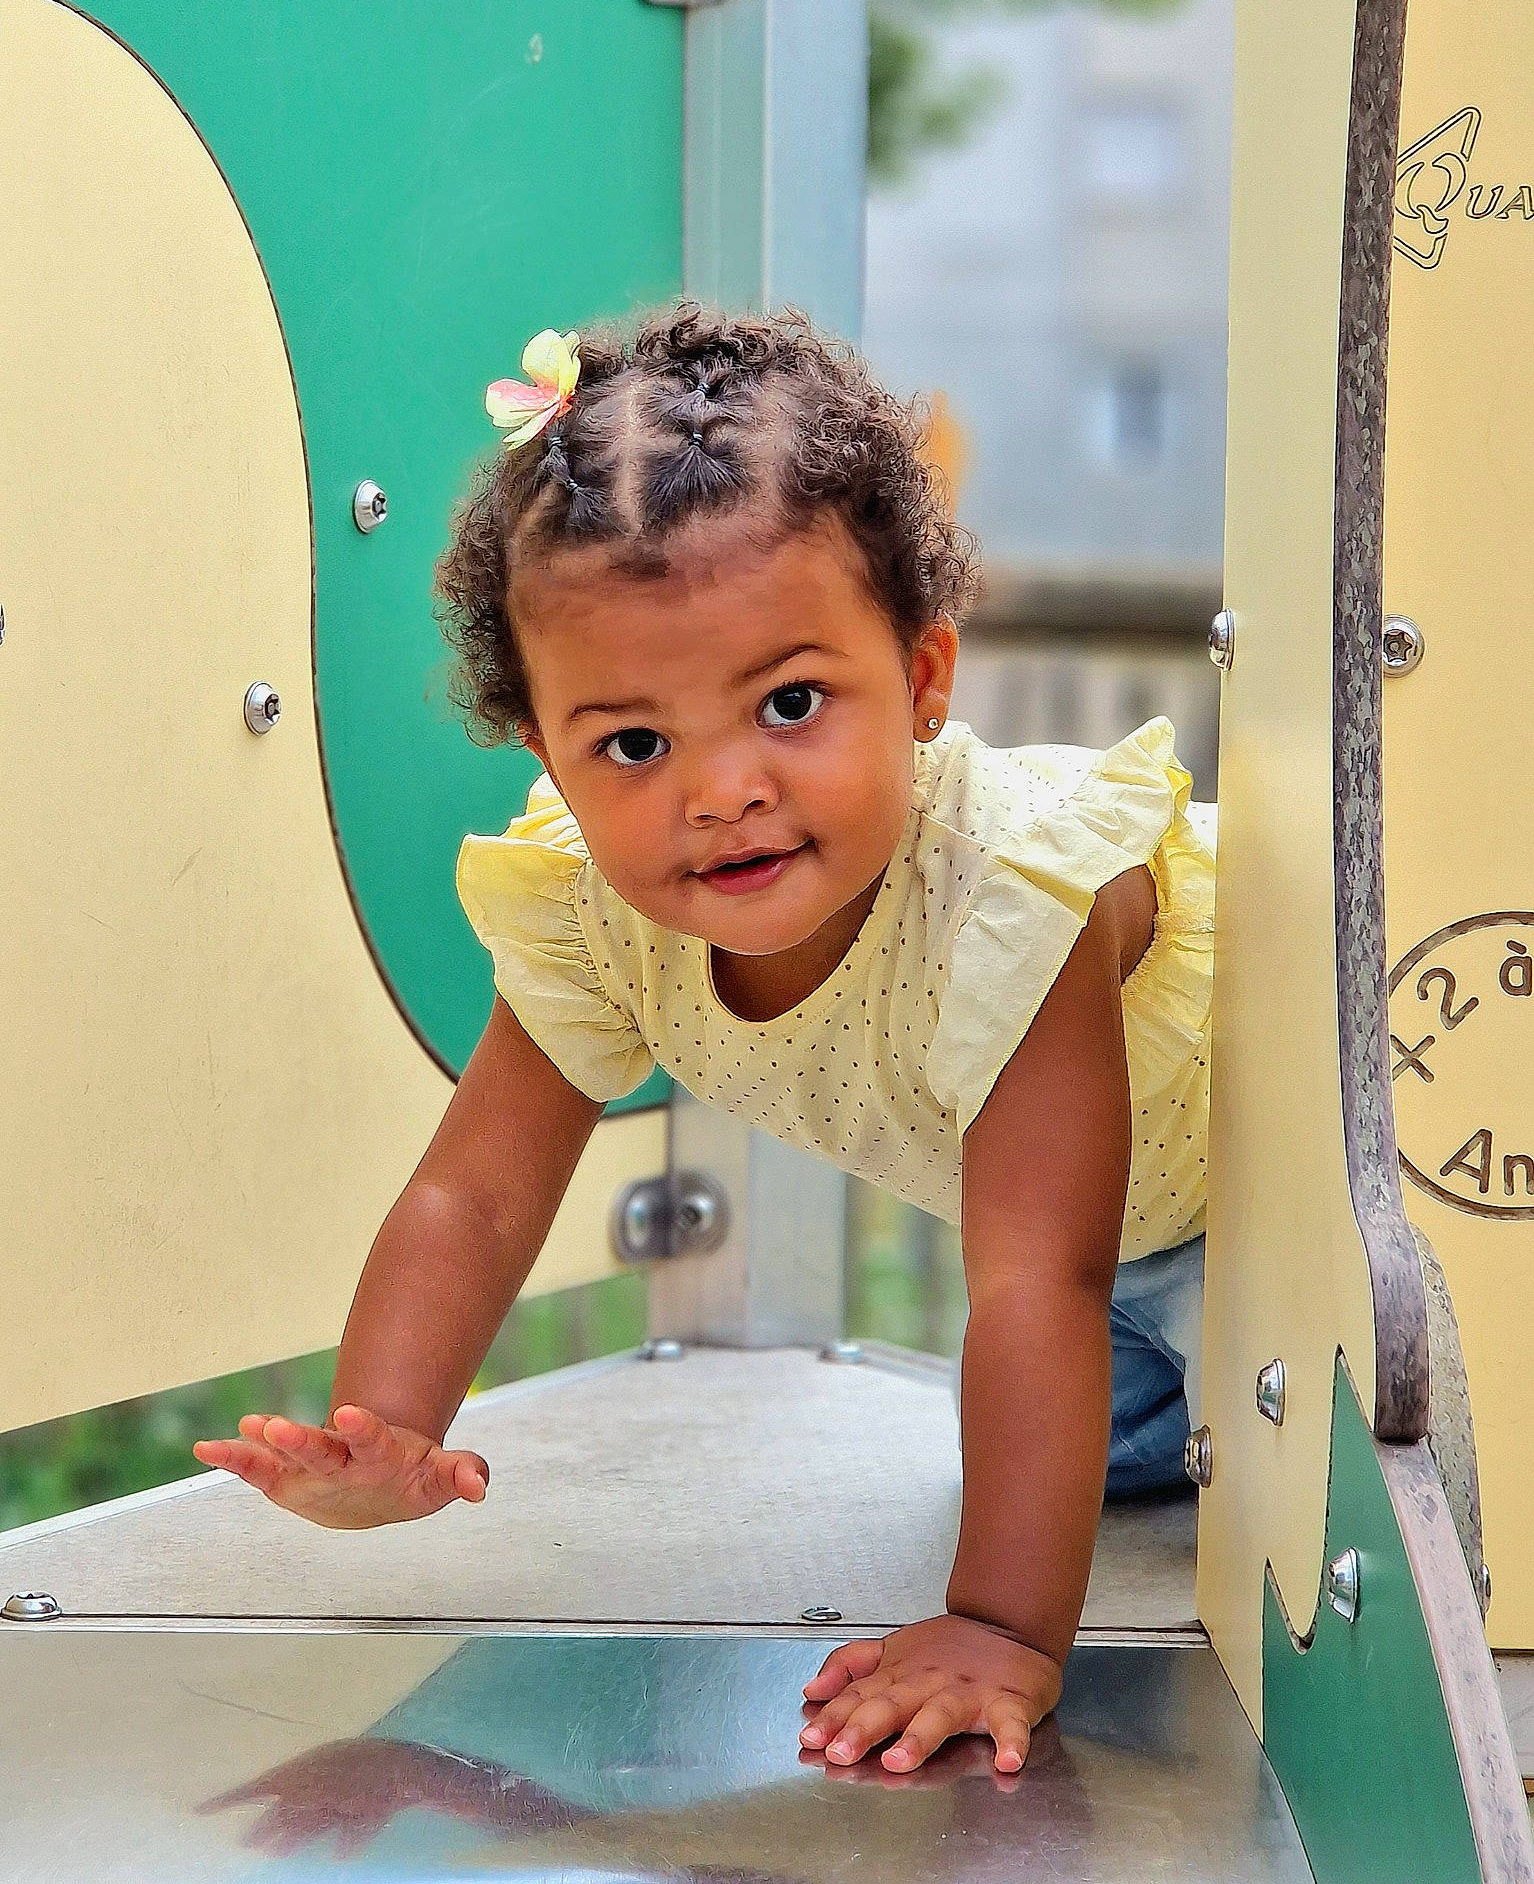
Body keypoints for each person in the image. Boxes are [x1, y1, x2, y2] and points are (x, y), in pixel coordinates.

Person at [193, 302, 1214, 1780]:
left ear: (924, 679)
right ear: (546, 751)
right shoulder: (598, 911)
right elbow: (472, 1193)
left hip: (1263, 1224)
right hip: (1106, 1274)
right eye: (631, 744)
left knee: (1326, 1508)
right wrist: (388, 1432)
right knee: (1120, 1472)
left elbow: (1028, 1278)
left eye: (790, 704)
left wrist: (997, 1628)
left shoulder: (1020, 891)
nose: (721, 789)